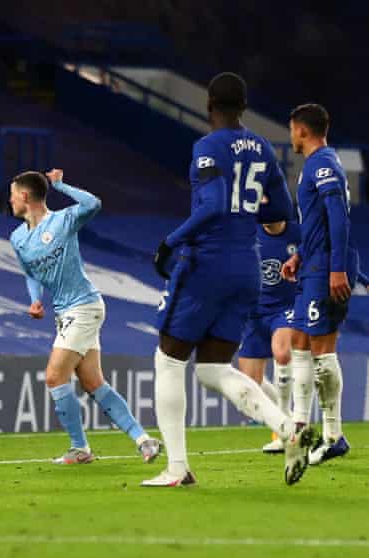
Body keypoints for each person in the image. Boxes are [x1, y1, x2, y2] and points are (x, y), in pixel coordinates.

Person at [146, 72, 314, 488]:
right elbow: (282, 213)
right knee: (212, 369)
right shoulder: (261, 147)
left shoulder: (207, 146)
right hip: (248, 265)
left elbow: (215, 204)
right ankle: (288, 426)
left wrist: (171, 241)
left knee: (168, 359)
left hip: (208, 263)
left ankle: (178, 468)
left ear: (209, 105)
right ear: (243, 107)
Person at [9, 168, 162, 465]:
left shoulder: (62, 220)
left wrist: (61, 185)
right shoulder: (18, 238)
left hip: (84, 306)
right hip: (65, 313)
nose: (10, 200)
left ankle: (80, 448)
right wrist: (35, 300)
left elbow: (93, 204)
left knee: (55, 377)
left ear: (25, 196)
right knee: (92, 382)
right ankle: (144, 440)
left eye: (13, 195)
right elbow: (29, 272)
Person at [281, 103, 360, 466]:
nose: (290, 135)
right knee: (298, 341)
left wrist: (337, 268)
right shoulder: (315, 164)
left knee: (322, 350)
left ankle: (333, 435)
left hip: (326, 267)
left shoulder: (324, 163)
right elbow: (319, 222)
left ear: (302, 130)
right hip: (312, 264)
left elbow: (339, 218)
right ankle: (299, 425)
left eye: (291, 129)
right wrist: (300, 256)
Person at [236, 216, 300, 453]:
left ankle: (284, 433)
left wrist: (362, 279)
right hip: (256, 315)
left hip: (286, 309)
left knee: (282, 353)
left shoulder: (298, 233)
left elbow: (327, 253)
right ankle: (291, 422)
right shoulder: (248, 234)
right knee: (248, 388)